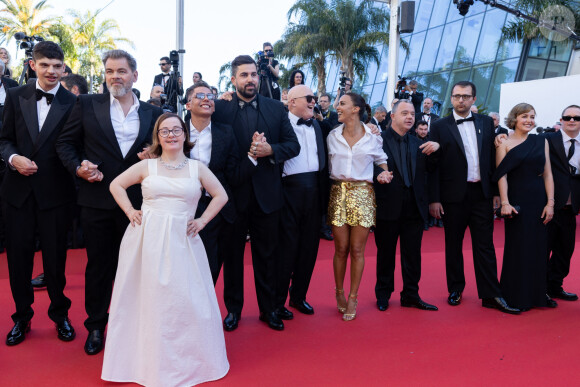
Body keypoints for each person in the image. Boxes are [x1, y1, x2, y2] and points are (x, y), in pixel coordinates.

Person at [101, 113, 229, 386]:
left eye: (175, 130)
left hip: (183, 240)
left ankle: (186, 360)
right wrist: (130, 211)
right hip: (146, 240)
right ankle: (145, 360)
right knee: (147, 298)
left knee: (184, 300)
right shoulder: (148, 166)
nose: (171, 135)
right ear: (157, 137)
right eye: (164, 131)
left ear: (184, 134)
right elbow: (116, 184)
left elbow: (221, 195)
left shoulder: (198, 168)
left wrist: (202, 221)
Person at [56, 49, 162, 355]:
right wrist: (78, 167)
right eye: (109, 71)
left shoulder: (153, 113)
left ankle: (135, 325)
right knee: (100, 266)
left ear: (135, 75)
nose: (115, 76)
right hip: (97, 200)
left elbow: (167, 150)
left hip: (141, 204)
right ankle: (97, 326)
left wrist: (153, 155)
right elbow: (65, 143)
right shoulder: (86, 104)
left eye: (121, 71)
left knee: (140, 268)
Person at [213, 55, 299, 331]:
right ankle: (233, 311)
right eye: (244, 75)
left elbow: (293, 146)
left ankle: (269, 309)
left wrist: (271, 150)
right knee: (232, 258)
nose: (250, 79)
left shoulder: (276, 108)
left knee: (267, 256)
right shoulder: (220, 109)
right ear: (233, 79)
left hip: (267, 196)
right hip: (232, 196)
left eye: (253, 75)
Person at [0, 41, 77, 346]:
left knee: (55, 263)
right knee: (18, 262)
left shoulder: (74, 103)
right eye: (45, 65)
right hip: (17, 194)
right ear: (33, 65)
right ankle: (22, 317)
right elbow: (3, 139)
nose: (51, 71)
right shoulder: (16, 96)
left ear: (64, 67)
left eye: (57, 66)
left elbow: (74, 147)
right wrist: (12, 158)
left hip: (56, 195)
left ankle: (60, 316)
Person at [428, 81, 520, 314]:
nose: (461, 100)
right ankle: (456, 288)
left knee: (485, 246)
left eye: (466, 96)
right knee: (453, 245)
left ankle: (491, 294)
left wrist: (498, 193)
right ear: (451, 99)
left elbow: (492, 159)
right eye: (457, 96)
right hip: (452, 196)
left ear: (473, 99)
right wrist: (435, 199)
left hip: (481, 194)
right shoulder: (439, 126)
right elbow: (434, 166)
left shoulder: (487, 123)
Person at [327, 92, 393, 321]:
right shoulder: (332, 135)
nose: (337, 107)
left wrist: (384, 173)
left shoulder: (373, 136)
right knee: (341, 248)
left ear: (356, 109)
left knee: (357, 250)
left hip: (364, 193)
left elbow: (380, 158)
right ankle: (339, 292)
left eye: (342, 104)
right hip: (338, 192)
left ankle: (353, 296)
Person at [374, 100, 439, 312]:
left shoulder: (418, 143)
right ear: (392, 116)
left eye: (412, 113)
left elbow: (430, 173)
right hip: (387, 206)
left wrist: (437, 148)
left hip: (414, 207)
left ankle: (411, 294)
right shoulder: (377, 140)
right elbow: (367, 168)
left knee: (413, 254)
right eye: (404, 113)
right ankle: (383, 294)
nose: (410, 117)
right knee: (385, 254)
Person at [184, 81, 251, 284]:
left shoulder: (226, 132)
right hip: (183, 208)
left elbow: (232, 173)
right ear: (188, 105)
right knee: (184, 268)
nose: (206, 99)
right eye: (200, 96)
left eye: (210, 96)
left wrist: (253, 157)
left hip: (218, 210)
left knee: (212, 266)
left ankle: (207, 312)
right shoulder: (176, 131)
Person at [492, 103, 555, 311]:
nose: (529, 120)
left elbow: (547, 174)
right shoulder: (504, 143)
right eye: (524, 116)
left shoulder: (541, 140)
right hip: (517, 200)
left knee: (539, 247)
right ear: (515, 119)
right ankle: (515, 295)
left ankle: (537, 294)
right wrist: (505, 202)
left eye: (532, 116)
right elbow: (502, 176)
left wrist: (550, 203)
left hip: (538, 198)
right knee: (518, 247)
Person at [275, 85, 327, 319]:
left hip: (314, 191)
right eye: (308, 98)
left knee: (309, 248)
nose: (312, 101)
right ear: (292, 101)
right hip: (288, 192)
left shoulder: (316, 124)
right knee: (286, 250)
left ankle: (298, 297)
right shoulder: (278, 123)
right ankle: (277, 302)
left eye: (314, 98)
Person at [545, 105, 580, 301]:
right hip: (548, 206)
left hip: (571, 207)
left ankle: (555, 286)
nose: (572, 120)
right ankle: (540, 289)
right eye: (567, 117)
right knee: (543, 249)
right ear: (562, 120)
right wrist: (501, 137)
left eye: (576, 117)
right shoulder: (548, 139)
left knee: (565, 251)